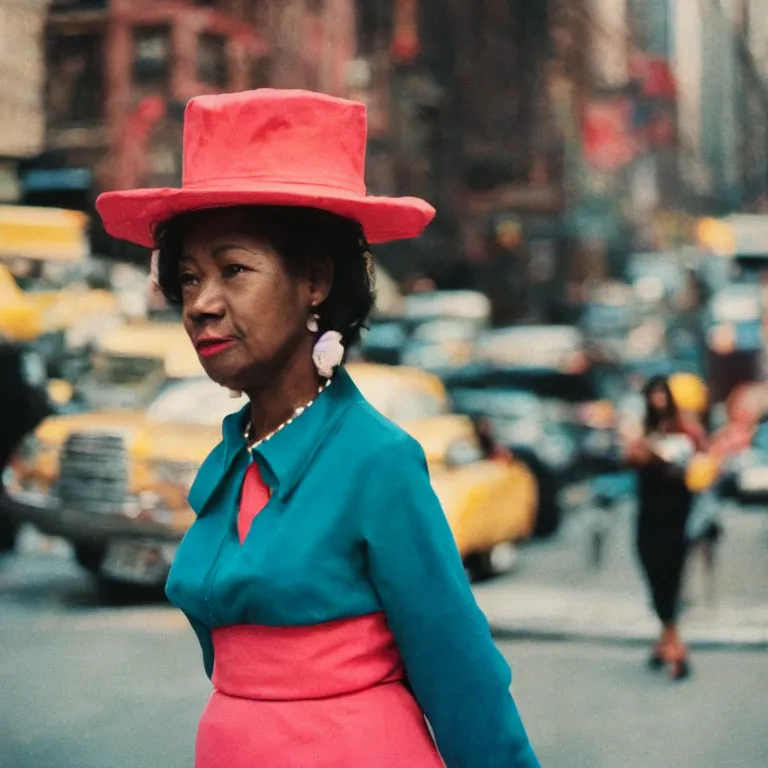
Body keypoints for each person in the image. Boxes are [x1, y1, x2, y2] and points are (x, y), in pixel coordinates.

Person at [96, 89, 540, 768]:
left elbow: (464, 684)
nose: (201, 306)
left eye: (233, 270)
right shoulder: (229, 459)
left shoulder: (378, 461)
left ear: (315, 279)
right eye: (187, 279)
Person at [625, 376, 705, 680]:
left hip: (676, 515)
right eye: (652, 394)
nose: (657, 400)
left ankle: (675, 647)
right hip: (648, 514)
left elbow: (701, 458)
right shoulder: (642, 430)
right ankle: (665, 641)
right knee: (652, 572)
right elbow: (629, 458)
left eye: (662, 394)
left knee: (670, 577)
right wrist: (645, 448)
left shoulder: (684, 427)